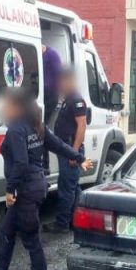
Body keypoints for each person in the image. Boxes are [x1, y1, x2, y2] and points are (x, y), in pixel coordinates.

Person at [0, 88, 93, 270]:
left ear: (17, 107)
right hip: (34, 186)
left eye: (7, 104)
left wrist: (10, 190)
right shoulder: (36, 126)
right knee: (7, 233)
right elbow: (59, 145)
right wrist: (79, 157)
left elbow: (20, 163)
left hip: (25, 190)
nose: (3, 108)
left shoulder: (17, 130)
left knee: (31, 239)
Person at [43, 69, 88, 234]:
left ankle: (62, 224)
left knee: (66, 189)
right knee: (73, 187)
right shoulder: (68, 99)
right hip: (66, 150)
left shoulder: (76, 100)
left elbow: (82, 126)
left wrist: (73, 152)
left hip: (71, 150)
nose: (60, 85)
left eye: (62, 82)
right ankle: (75, 221)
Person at [42, 45, 61, 124]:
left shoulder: (52, 55)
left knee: (42, 123)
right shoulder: (46, 54)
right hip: (43, 92)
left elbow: (59, 74)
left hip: (50, 95)